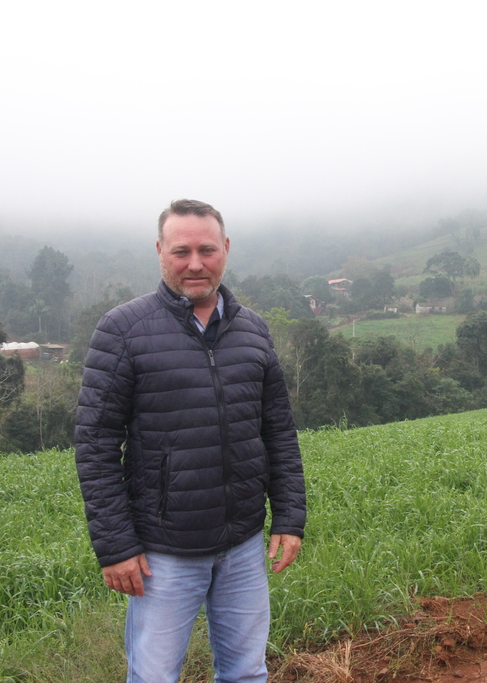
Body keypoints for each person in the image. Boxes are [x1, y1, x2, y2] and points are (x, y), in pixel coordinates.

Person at [75, 199, 306, 683]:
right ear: (160, 251)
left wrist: (288, 517)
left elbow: (278, 432)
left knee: (246, 673)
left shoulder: (253, 330)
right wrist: (116, 546)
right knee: (155, 677)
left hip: (242, 544)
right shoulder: (123, 330)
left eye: (207, 249)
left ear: (226, 249)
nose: (195, 263)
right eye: (181, 251)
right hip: (164, 553)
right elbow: (95, 445)